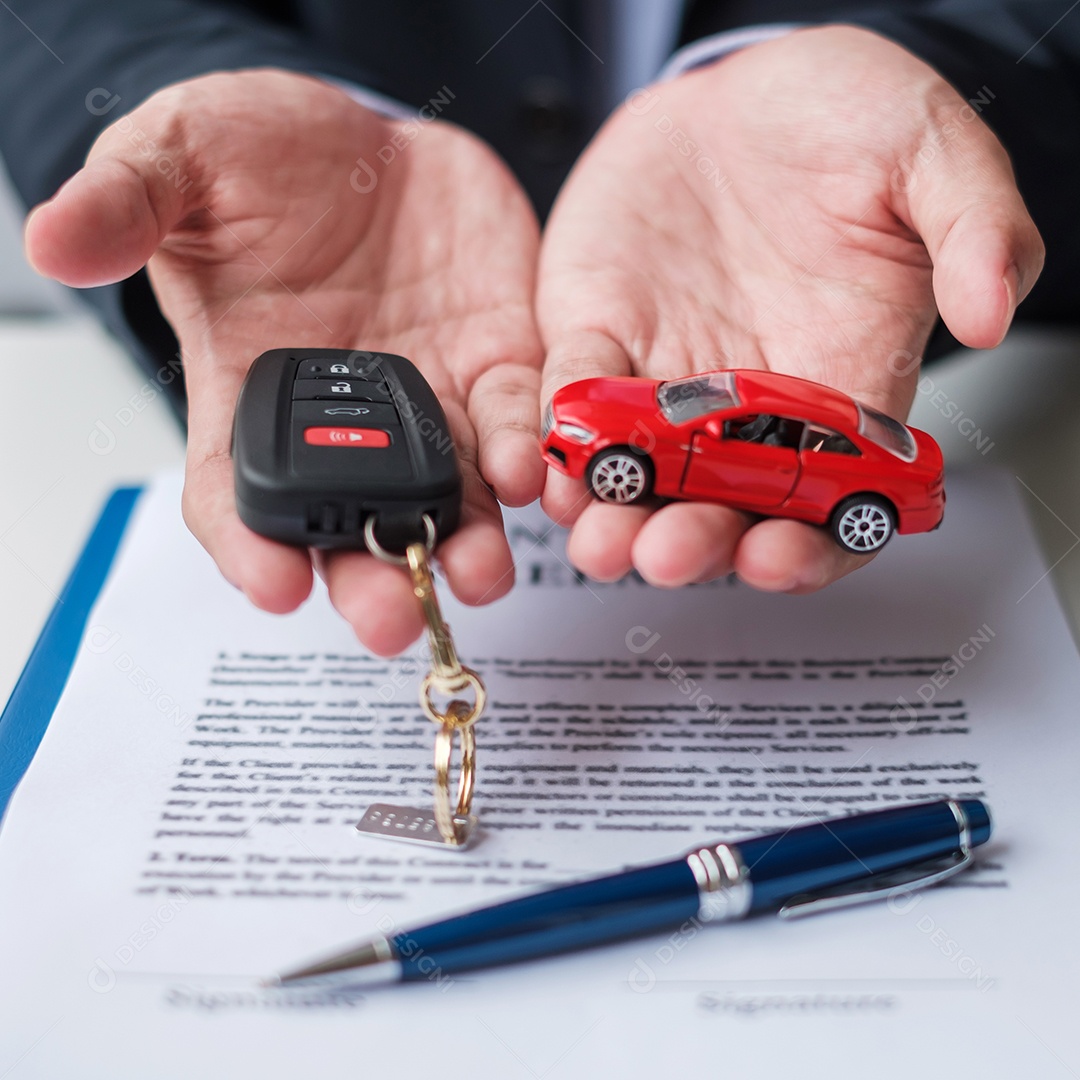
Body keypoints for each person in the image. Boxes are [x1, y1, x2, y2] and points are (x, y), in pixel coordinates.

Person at [0, 1, 1068, 655]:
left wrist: (958, 90)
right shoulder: (646, 419)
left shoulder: (683, 431)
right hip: (340, 222)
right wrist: (173, 102)